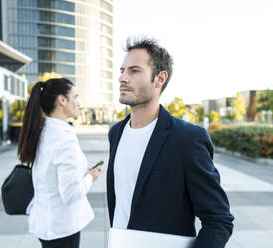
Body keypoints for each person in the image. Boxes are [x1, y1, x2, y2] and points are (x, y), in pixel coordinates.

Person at [106, 37, 234, 248]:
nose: (122, 78)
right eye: (122, 70)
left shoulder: (188, 139)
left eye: (134, 71)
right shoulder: (116, 133)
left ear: (159, 79)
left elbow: (218, 220)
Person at [18, 78, 102, 248]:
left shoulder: (44, 131)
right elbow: (70, 194)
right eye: (75, 97)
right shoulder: (63, 138)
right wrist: (90, 178)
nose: (78, 103)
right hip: (62, 228)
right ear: (62, 100)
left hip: (46, 223)